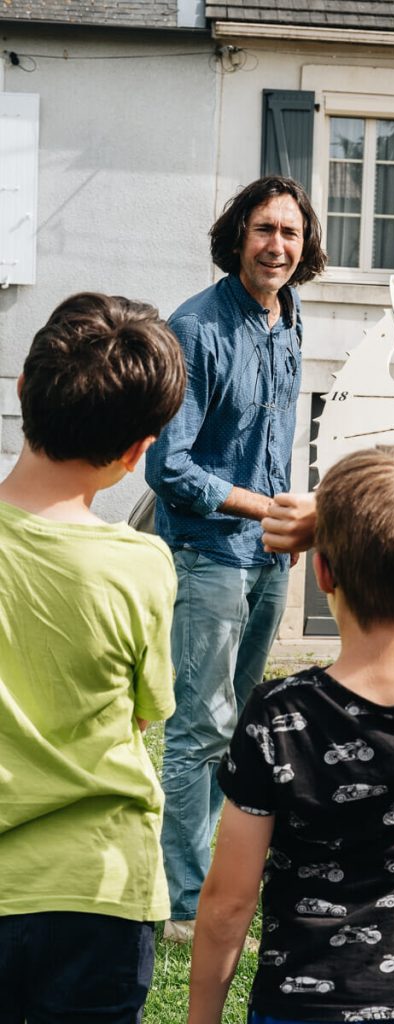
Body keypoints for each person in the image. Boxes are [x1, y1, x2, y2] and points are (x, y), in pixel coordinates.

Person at [186, 444, 394, 1024]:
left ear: (322, 573)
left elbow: (228, 903)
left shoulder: (277, 716)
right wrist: (328, 512)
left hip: (301, 1007)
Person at [145, 175, 325, 941]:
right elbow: (168, 468)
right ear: (236, 238)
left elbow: (271, 444)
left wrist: (280, 532)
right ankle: (183, 904)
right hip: (205, 554)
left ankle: (208, 874)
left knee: (238, 723)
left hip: (263, 556)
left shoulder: (289, 319)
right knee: (199, 729)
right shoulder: (194, 328)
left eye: (288, 232)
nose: (276, 245)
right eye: (263, 230)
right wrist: (263, 509)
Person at [0, 292, 186, 1023]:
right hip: (99, 892)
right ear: (140, 450)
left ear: (22, 388)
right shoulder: (141, 566)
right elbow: (147, 713)